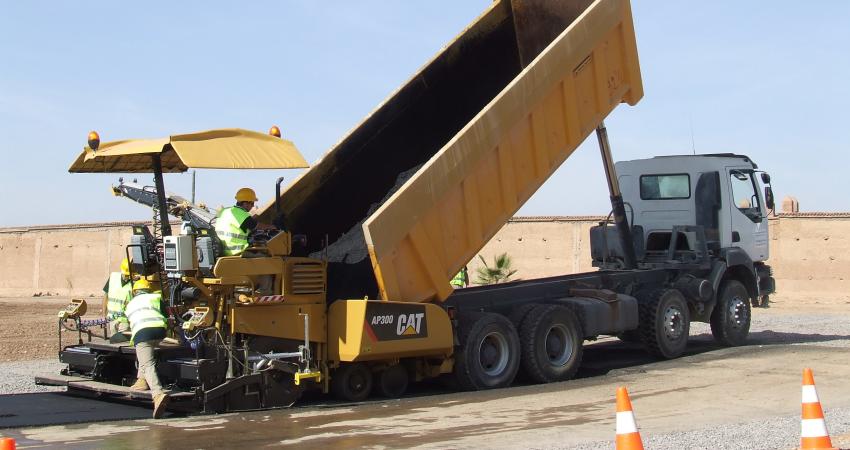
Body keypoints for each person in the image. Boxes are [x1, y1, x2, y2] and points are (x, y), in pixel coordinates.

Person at [125, 278, 169, 419]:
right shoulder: (156, 298)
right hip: (160, 332)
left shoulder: (130, 304)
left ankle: (157, 394)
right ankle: (142, 381)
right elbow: (166, 315)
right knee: (146, 356)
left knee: (147, 363)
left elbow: (129, 322)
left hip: (143, 334)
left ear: (135, 292)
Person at [214, 187, 274, 256]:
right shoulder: (241, 214)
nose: (253, 206)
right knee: (268, 256)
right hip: (236, 252)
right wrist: (272, 227)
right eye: (252, 203)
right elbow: (257, 226)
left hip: (224, 251)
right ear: (246, 203)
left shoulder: (225, 211)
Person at [104, 258, 133, 342]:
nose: (127, 277)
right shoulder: (113, 277)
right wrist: (104, 315)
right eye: (126, 274)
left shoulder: (134, 282)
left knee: (124, 343)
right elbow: (106, 296)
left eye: (128, 275)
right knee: (114, 342)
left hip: (125, 320)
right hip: (112, 319)